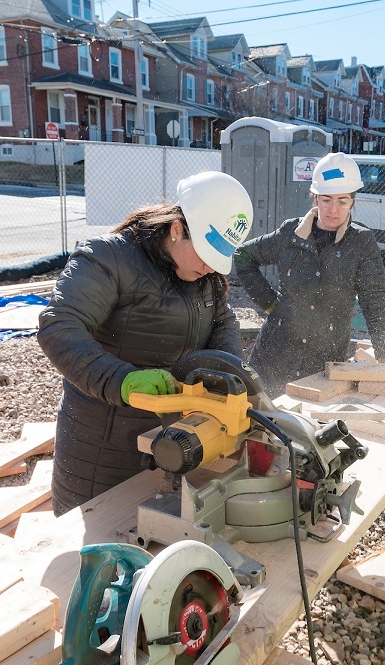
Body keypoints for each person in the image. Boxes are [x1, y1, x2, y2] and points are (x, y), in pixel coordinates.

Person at [37, 171, 254, 515]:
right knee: (100, 551)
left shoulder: (203, 274)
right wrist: (120, 379)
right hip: (101, 445)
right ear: (178, 228)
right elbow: (58, 325)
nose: (212, 265)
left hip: (172, 439)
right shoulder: (109, 258)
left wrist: (226, 372)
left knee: (153, 544)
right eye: (207, 250)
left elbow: (222, 321)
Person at [234, 151, 385, 397]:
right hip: (274, 354)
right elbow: (243, 256)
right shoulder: (291, 233)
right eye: (326, 200)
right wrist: (270, 304)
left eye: (342, 201)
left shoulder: (361, 243)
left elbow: (374, 303)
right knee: (260, 420)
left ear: (353, 201)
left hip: (323, 360)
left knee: (308, 427)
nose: (333, 210)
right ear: (315, 198)